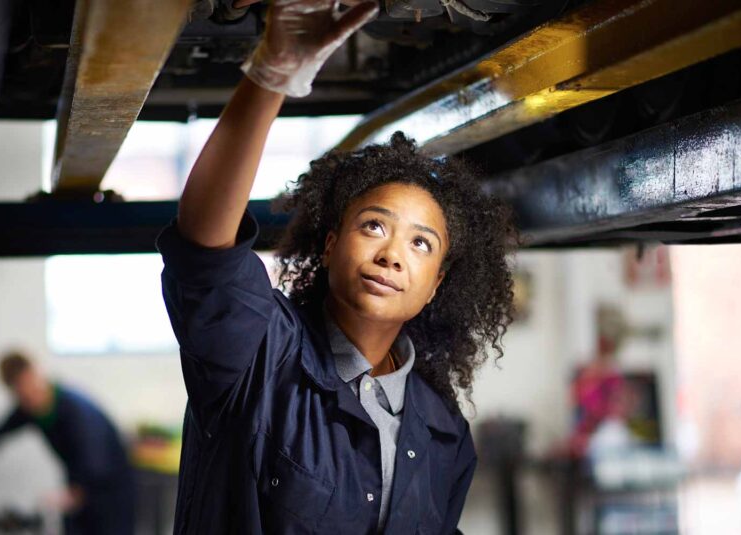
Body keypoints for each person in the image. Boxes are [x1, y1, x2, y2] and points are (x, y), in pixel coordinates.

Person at [155, 1, 516, 532]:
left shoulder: (443, 434)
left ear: (437, 285)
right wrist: (271, 74)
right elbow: (206, 250)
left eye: (421, 244)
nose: (391, 253)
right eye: (374, 226)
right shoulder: (259, 355)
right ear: (328, 246)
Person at [0, 351, 135, 535]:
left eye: (31, 388)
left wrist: (67, 497)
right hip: (77, 492)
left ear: (36, 375)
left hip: (110, 494)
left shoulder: (76, 411)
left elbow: (96, 464)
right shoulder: (29, 408)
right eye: (22, 395)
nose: (30, 398)